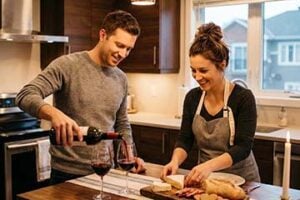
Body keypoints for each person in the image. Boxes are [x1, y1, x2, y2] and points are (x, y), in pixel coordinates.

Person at [16, 10, 145, 184]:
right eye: (119, 45)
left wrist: (130, 153)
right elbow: (25, 95)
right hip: (66, 174)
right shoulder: (67, 65)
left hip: (106, 172)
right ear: (102, 35)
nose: (123, 54)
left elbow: (121, 122)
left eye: (128, 49)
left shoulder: (121, 78)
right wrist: (54, 114)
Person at [161, 22, 260, 186]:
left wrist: (208, 166)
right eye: (193, 70)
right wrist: (175, 162)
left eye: (203, 70)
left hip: (242, 182)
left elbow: (243, 148)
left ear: (222, 64)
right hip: (207, 181)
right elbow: (185, 140)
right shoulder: (192, 98)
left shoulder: (243, 98)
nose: (197, 77)